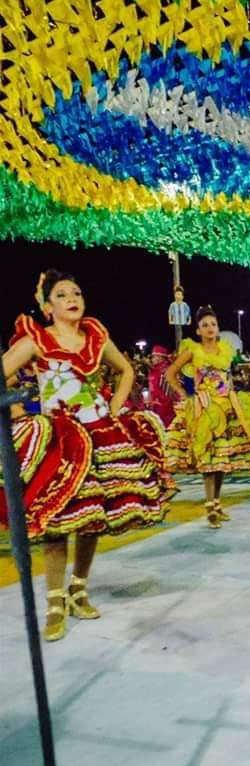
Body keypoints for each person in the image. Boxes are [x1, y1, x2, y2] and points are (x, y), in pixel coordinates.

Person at [0, 270, 175, 642]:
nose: (72, 299)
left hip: (100, 433)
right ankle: (55, 602)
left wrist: (114, 406)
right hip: (61, 439)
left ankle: (78, 589)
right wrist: (16, 411)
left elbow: (125, 369)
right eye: (62, 294)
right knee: (58, 521)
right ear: (48, 307)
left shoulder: (95, 336)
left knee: (93, 516)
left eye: (76, 293)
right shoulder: (37, 340)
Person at [165, 306, 250, 528]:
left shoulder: (225, 350)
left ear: (218, 328)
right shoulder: (192, 350)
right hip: (205, 409)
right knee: (208, 458)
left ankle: (217, 503)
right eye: (205, 325)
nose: (210, 328)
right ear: (198, 330)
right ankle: (210, 505)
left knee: (221, 460)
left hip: (226, 406)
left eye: (213, 324)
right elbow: (170, 373)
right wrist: (184, 394)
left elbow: (227, 378)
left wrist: (232, 397)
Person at [147, 344, 179, 427]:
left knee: (160, 427)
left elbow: (154, 390)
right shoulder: (171, 369)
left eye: (153, 357)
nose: (152, 359)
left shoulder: (155, 372)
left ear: (160, 358)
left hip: (160, 406)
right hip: (172, 406)